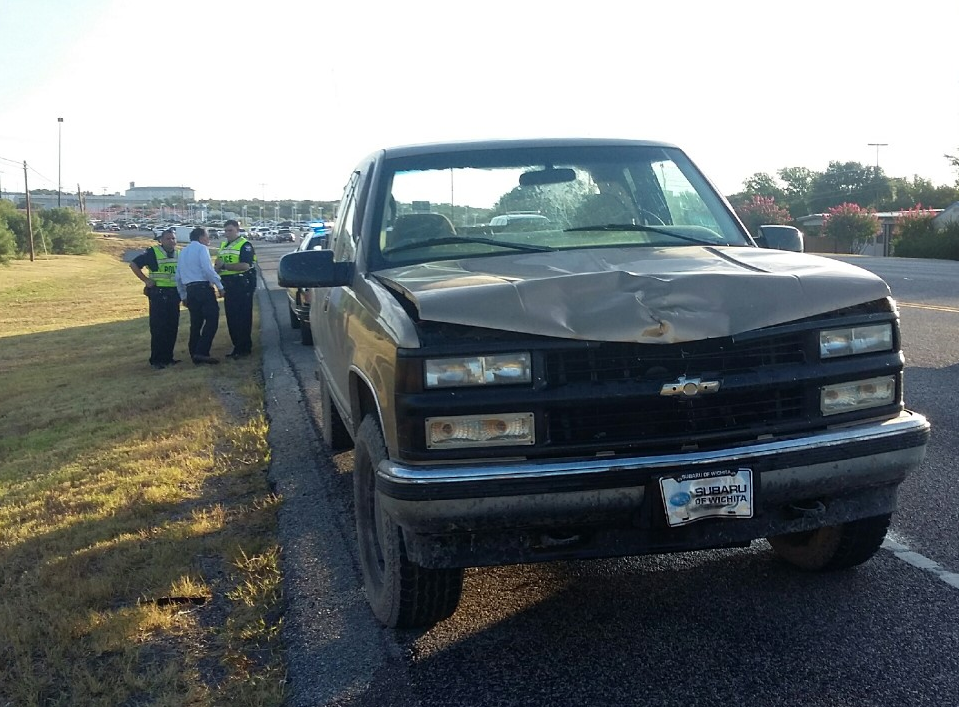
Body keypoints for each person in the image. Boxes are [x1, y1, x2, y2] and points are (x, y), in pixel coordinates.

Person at [129, 228, 181, 370]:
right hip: (159, 294)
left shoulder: (178, 253)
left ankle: (168, 358)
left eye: (173, 239)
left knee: (172, 327)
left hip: (173, 294)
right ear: (161, 240)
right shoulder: (153, 252)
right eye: (168, 239)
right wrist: (146, 280)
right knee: (159, 328)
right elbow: (133, 264)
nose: (172, 241)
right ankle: (157, 360)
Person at [175, 227, 224, 365]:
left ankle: (194, 352)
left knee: (196, 323)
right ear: (201, 237)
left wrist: (183, 295)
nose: (209, 239)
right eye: (207, 236)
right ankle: (202, 351)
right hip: (203, 288)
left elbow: (178, 276)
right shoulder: (202, 249)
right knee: (212, 319)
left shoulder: (182, 252)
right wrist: (219, 286)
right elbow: (207, 269)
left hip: (190, 290)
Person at [214, 219, 257, 358]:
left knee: (243, 317)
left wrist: (224, 266)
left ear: (238, 230)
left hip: (242, 285)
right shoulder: (224, 246)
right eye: (225, 230)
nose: (227, 233)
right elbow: (218, 265)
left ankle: (244, 347)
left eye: (230, 230)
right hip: (229, 286)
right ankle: (237, 347)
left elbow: (245, 265)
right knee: (232, 318)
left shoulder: (245, 245)